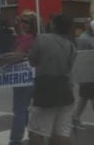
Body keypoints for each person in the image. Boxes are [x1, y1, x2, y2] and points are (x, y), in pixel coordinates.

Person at [28, 14, 77, 145]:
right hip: (65, 92)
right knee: (62, 132)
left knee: (39, 130)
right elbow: (69, 69)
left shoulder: (41, 39)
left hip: (45, 91)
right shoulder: (71, 46)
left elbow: (32, 61)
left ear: (54, 25)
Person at [1, 11, 38, 145]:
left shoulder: (28, 38)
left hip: (24, 78)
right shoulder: (29, 37)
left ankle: (15, 140)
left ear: (33, 24)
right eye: (22, 21)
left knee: (19, 110)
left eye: (26, 22)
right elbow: (19, 34)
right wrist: (17, 24)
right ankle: (33, 135)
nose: (23, 24)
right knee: (26, 111)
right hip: (28, 77)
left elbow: (17, 55)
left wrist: (3, 59)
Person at [72, 19, 94, 127]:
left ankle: (75, 117)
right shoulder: (83, 39)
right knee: (87, 96)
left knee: (84, 97)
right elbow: (81, 57)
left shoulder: (91, 37)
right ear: (86, 25)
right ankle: (75, 117)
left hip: (91, 73)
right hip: (88, 73)